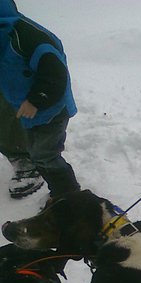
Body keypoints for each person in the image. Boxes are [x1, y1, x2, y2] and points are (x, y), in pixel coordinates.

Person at [0, 0, 80, 199]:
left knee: (46, 155)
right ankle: (59, 192)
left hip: (52, 109)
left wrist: (36, 100)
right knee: (37, 152)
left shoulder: (26, 37)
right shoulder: (3, 35)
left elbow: (55, 72)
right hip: (28, 111)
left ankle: (68, 196)